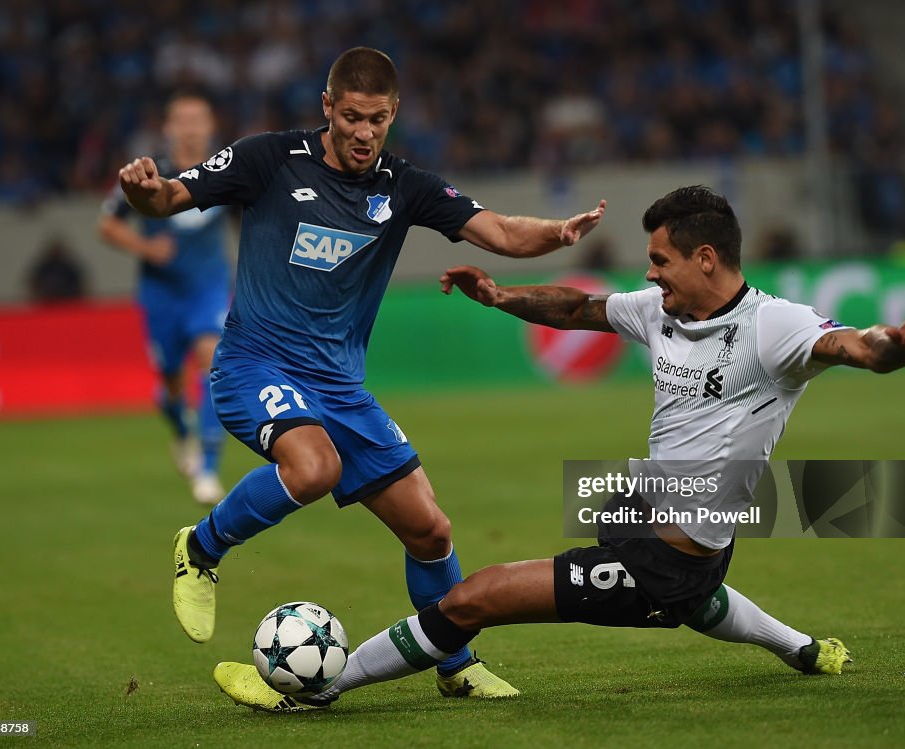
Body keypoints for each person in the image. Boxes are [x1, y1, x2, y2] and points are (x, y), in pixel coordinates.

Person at [210, 185, 905, 712]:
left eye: (660, 259)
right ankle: (800, 648)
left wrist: (900, 346)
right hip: (645, 503)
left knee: (471, 598)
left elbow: (858, 344)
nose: (649, 273)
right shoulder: (663, 311)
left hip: (671, 554)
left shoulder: (773, 327)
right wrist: (503, 297)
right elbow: (577, 306)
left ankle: (320, 688)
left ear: (705, 258)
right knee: (672, 568)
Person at [117, 47, 606, 698]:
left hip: (339, 388)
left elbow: (503, 233)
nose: (363, 133)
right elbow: (174, 195)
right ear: (328, 107)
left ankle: (456, 665)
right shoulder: (268, 158)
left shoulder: (404, 188)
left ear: (393, 115)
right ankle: (200, 550)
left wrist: (558, 232)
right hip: (255, 362)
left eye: (376, 120)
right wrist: (146, 194)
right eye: (350, 117)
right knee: (313, 468)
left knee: (430, 530)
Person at [100, 90, 232, 506]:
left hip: (208, 286)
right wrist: (146, 249)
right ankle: (180, 427)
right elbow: (107, 225)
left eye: (199, 120)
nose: (191, 128)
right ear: (169, 127)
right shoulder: (149, 172)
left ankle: (209, 468)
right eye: (183, 120)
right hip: (161, 293)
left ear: (210, 127)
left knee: (212, 361)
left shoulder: (228, 171)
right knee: (171, 382)